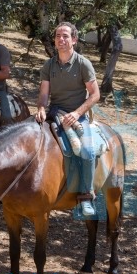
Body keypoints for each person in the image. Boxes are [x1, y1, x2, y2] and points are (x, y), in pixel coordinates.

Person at [35, 22, 100, 216]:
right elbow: (44, 93)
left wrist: (78, 113)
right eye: (57, 36)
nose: (60, 39)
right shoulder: (49, 65)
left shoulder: (83, 64)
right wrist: (40, 107)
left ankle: (86, 196)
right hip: (55, 113)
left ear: (74, 40)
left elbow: (95, 94)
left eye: (65, 36)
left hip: (77, 116)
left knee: (87, 151)